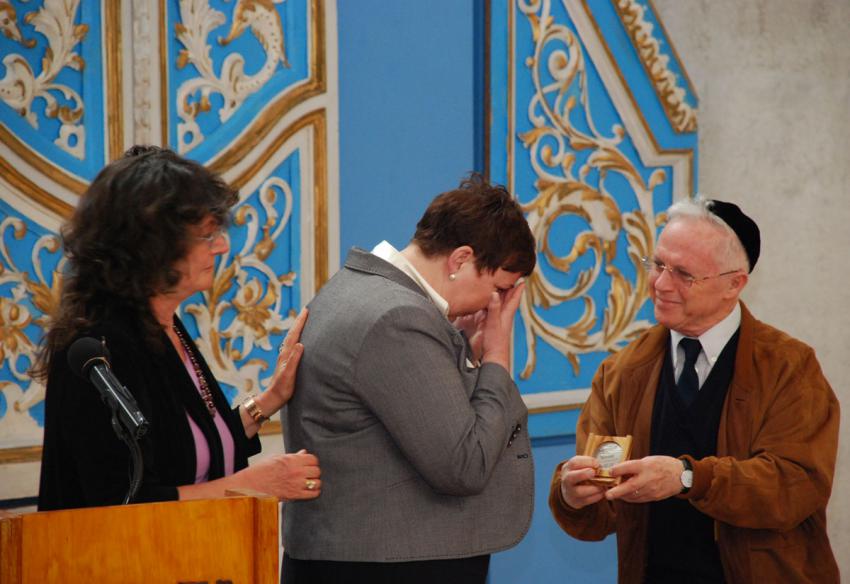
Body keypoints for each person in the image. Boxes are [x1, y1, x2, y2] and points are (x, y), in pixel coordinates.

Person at [549, 197, 840, 583]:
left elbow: (796, 485)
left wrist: (687, 476)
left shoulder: (790, 367)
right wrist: (571, 496)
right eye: (658, 265)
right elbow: (599, 513)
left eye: (685, 274)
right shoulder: (620, 372)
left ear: (734, 284)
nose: (661, 284)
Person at [281, 174, 536, 584]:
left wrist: (466, 351)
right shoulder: (398, 317)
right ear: (460, 260)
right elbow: (464, 464)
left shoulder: (357, 287)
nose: (496, 305)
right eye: (498, 288)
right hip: (390, 568)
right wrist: (497, 355)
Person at [35, 145, 321, 510]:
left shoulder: (162, 323)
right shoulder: (97, 349)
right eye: (206, 236)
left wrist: (270, 399)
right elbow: (119, 503)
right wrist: (250, 485)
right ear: (153, 247)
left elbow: (191, 451)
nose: (221, 246)